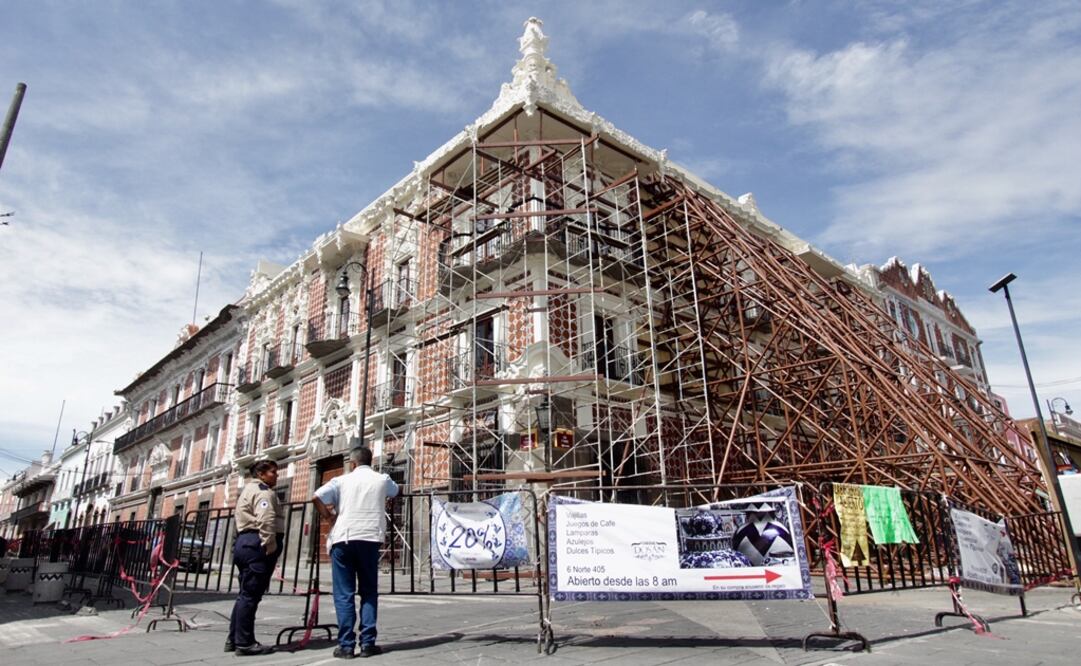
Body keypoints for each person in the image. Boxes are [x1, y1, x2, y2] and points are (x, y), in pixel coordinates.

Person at [313, 446, 399, 659]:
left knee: (344, 594)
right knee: (369, 592)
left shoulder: (340, 481)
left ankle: (346, 645)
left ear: (352, 463)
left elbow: (316, 497)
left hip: (344, 538)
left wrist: (329, 517)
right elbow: (396, 491)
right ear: (371, 461)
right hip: (370, 539)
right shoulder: (382, 479)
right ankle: (368, 643)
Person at [226, 459, 284, 656]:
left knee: (244, 594)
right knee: (251, 595)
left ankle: (234, 639)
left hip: (245, 543)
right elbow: (266, 518)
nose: (276, 475)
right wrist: (270, 545)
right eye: (273, 472)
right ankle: (245, 643)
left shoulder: (247, 490)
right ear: (261, 474)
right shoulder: (263, 492)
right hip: (257, 544)